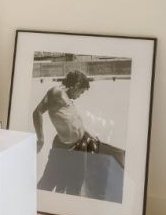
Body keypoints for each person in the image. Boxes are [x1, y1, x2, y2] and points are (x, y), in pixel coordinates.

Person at [32, 70, 125, 202]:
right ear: (76, 86)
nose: (80, 95)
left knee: (76, 184)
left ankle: (72, 208)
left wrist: (88, 134)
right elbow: (37, 112)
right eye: (80, 92)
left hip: (80, 145)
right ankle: (34, 204)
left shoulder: (68, 100)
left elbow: (74, 121)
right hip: (64, 147)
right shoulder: (56, 92)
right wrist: (40, 139)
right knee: (48, 182)